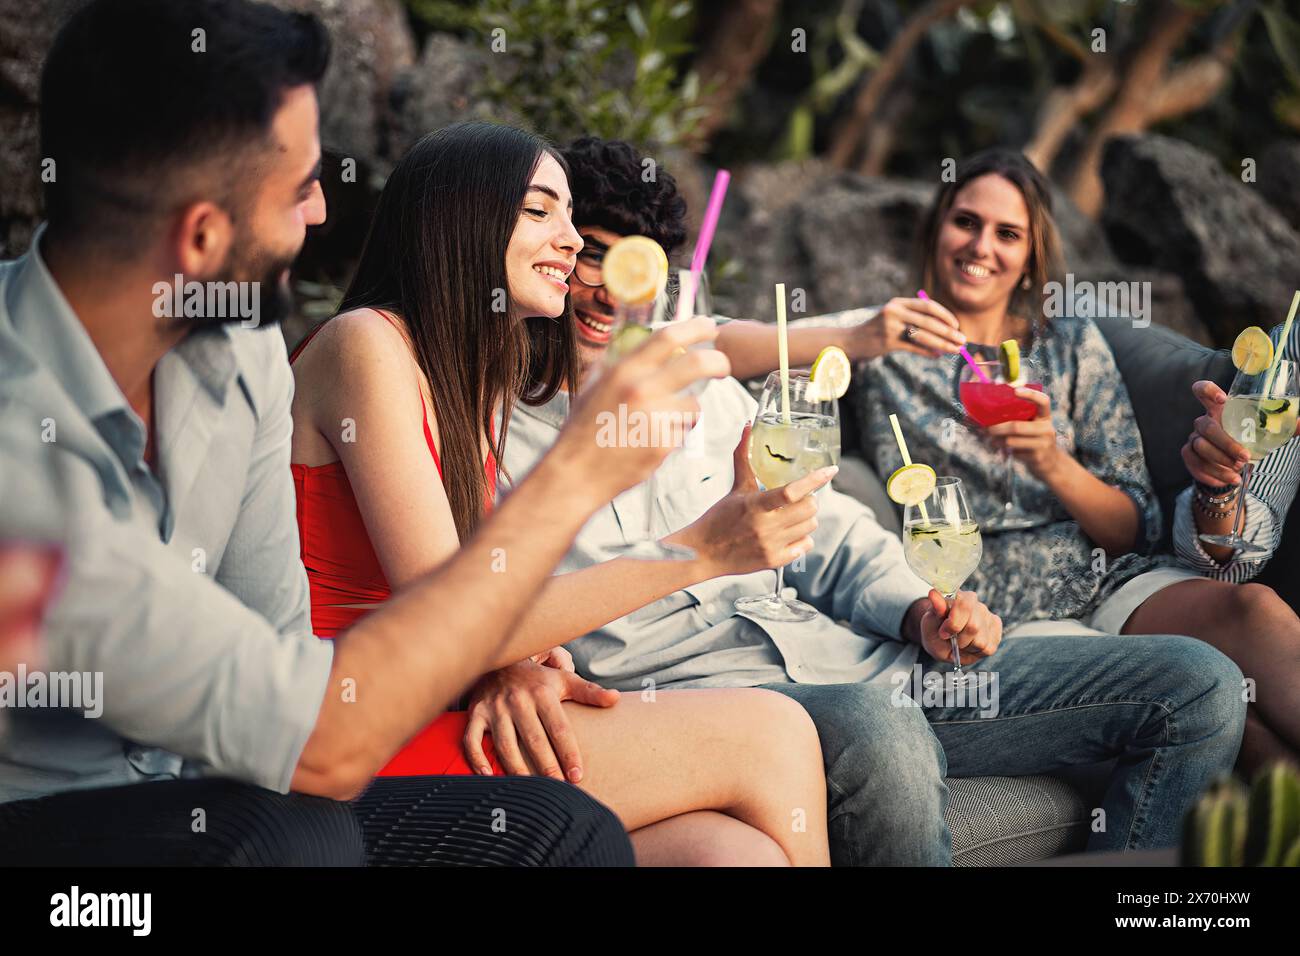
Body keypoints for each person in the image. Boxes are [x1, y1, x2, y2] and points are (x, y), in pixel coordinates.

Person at [0, 0, 722, 867]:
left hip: (217, 772)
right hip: (48, 813)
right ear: (200, 233)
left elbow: (283, 636)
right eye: (301, 185)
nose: (317, 213)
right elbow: (319, 739)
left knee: (571, 829)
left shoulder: (240, 352)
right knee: (295, 840)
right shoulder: (22, 437)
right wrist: (579, 482)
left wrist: (492, 660)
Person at [488, 136, 1248, 865]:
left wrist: (920, 605)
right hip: (704, 698)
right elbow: (482, 607)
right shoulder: (485, 429)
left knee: (1198, 685)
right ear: (552, 255)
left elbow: (824, 524)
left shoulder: (694, 378)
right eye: (593, 255)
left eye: (640, 269)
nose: (612, 292)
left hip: (852, 656)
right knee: (880, 729)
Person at [287, 122, 831, 867]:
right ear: (463, 216)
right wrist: (700, 552)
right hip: (352, 742)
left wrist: (521, 663)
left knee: (729, 853)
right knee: (773, 734)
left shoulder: (463, 379)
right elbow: (445, 624)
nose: (573, 241)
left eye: (571, 216)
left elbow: (487, 592)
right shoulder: (365, 346)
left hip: (432, 709)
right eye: (541, 211)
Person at [847, 148, 1296, 772]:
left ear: (1031, 255)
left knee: (1254, 610)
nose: (981, 246)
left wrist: (1052, 462)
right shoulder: (886, 353)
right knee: (1236, 720)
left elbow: (1135, 525)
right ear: (936, 228)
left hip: (1106, 580)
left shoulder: (1071, 343)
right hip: (996, 610)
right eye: (966, 221)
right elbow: (779, 349)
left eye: (1007, 233)